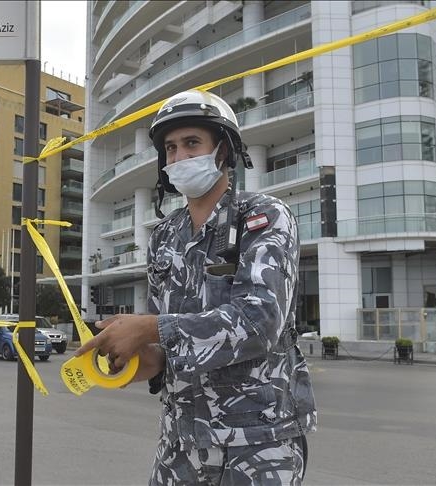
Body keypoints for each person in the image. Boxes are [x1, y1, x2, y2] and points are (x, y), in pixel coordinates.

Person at [76, 89, 317, 485]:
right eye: (170, 148)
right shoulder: (165, 236)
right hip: (180, 443)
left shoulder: (266, 216)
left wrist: (149, 329)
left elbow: (260, 322)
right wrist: (134, 359)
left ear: (223, 150)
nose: (179, 158)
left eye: (192, 144)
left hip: (257, 443)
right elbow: (164, 343)